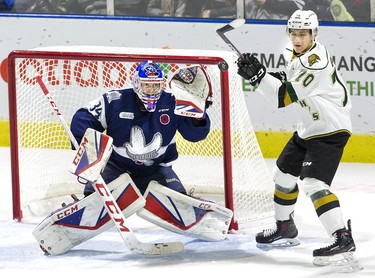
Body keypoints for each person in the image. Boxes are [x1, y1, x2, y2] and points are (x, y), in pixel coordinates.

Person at [33, 61, 233, 255]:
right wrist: (88, 148)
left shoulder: (173, 102)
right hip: (116, 168)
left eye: (156, 86)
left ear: (163, 85)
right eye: (147, 85)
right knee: (93, 203)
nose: (151, 90)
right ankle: (64, 224)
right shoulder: (115, 100)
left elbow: (194, 135)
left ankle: (197, 212)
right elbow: (83, 117)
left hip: (157, 169)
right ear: (136, 83)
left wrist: (199, 115)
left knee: (180, 203)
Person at [236, 10, 362, 270]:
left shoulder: (315, 61)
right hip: (309, 126)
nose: (297, 38)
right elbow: (290, 80)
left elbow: (282, 97)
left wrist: (258, 78)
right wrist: (265, 74)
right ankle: (285, 226)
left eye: (303, 34)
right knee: (282, 175)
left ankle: (342, 238)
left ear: (314, 34)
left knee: (313, 183)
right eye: (293, 33)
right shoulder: (296, 52)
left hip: (330, 127)